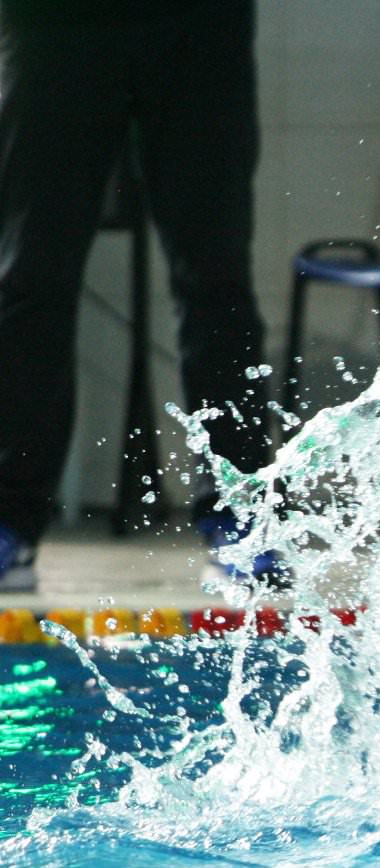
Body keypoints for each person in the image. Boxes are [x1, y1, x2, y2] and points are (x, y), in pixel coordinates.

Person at [0, 0, 276, 591]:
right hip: (50, 23)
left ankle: (239, 515)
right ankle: (9, 521)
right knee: (31, 279)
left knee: (216, 279)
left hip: (198, 24)